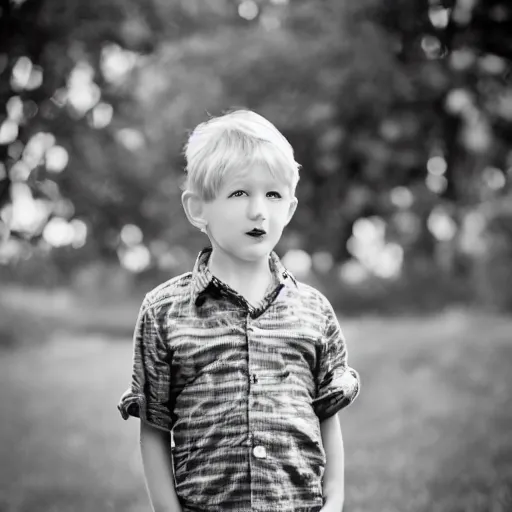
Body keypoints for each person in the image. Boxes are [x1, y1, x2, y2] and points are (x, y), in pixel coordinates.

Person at [118, 109, 360, 512]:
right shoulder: (163, 313)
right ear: (198, 208)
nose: (258, 211)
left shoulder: (314, 311)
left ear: (290, 208)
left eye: (273, 195)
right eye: (238, 193)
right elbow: (154, 426)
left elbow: (326, 417)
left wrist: (333, 503)